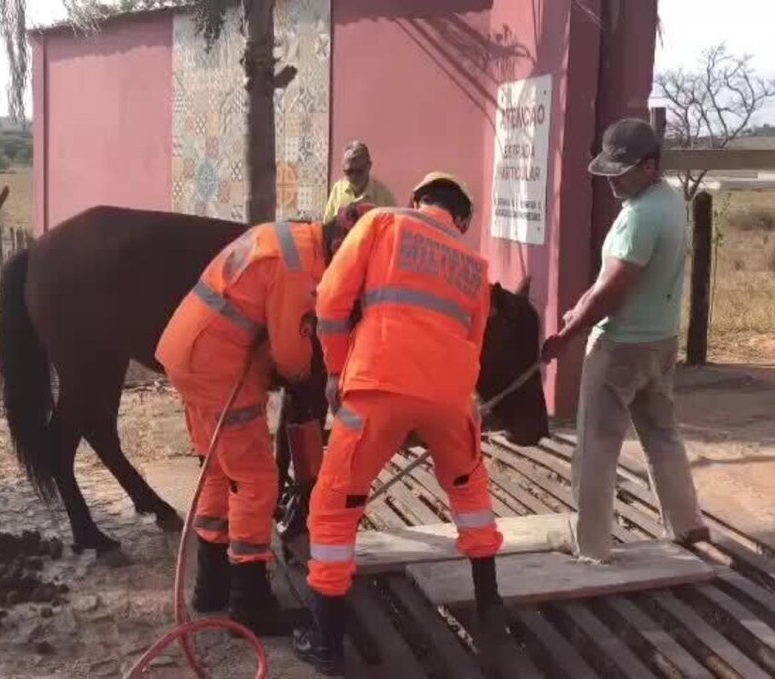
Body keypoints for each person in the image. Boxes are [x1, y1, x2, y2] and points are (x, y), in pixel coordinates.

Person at [292, 173, 506, 675]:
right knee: (471, 497)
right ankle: (490, 609)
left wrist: (336, 369)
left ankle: (326, 643)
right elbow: (473, 343)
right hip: (451, 401)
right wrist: (447, 401)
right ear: (462, 219)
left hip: (377, 388)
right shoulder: (474, 264)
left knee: (335, 507)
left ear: (417, 201)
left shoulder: (382, 222)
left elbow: (330, 299)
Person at [154, 203, 374, 636]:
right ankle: (249, 602)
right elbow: (293, 360)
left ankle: (210, 587)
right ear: (337, 246)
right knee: (257, 480)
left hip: (188, 352)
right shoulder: (299, 269)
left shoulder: (289, 240)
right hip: (216, 366)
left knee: (220, 471)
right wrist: (314, 376)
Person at [540, 117, 710, 562]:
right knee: (662, 434)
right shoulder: (669, 201)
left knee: (596, 444)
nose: (613, 180)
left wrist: (568, 334)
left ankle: (591, 544)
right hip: (660, 341)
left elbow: (614, 287)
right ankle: (687, 523)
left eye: (623, 170)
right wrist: (581, 307)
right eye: (609, 169)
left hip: (620, 346)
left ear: (650, 166)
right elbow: (610, 282)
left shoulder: (640, 217)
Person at [321, 141, 396, 223]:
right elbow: (327, 224)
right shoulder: (338, 190)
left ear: (369, 166)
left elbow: (393, 227)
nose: (354, 177)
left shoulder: (383, 195)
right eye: (349, 172)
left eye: (359, 171)